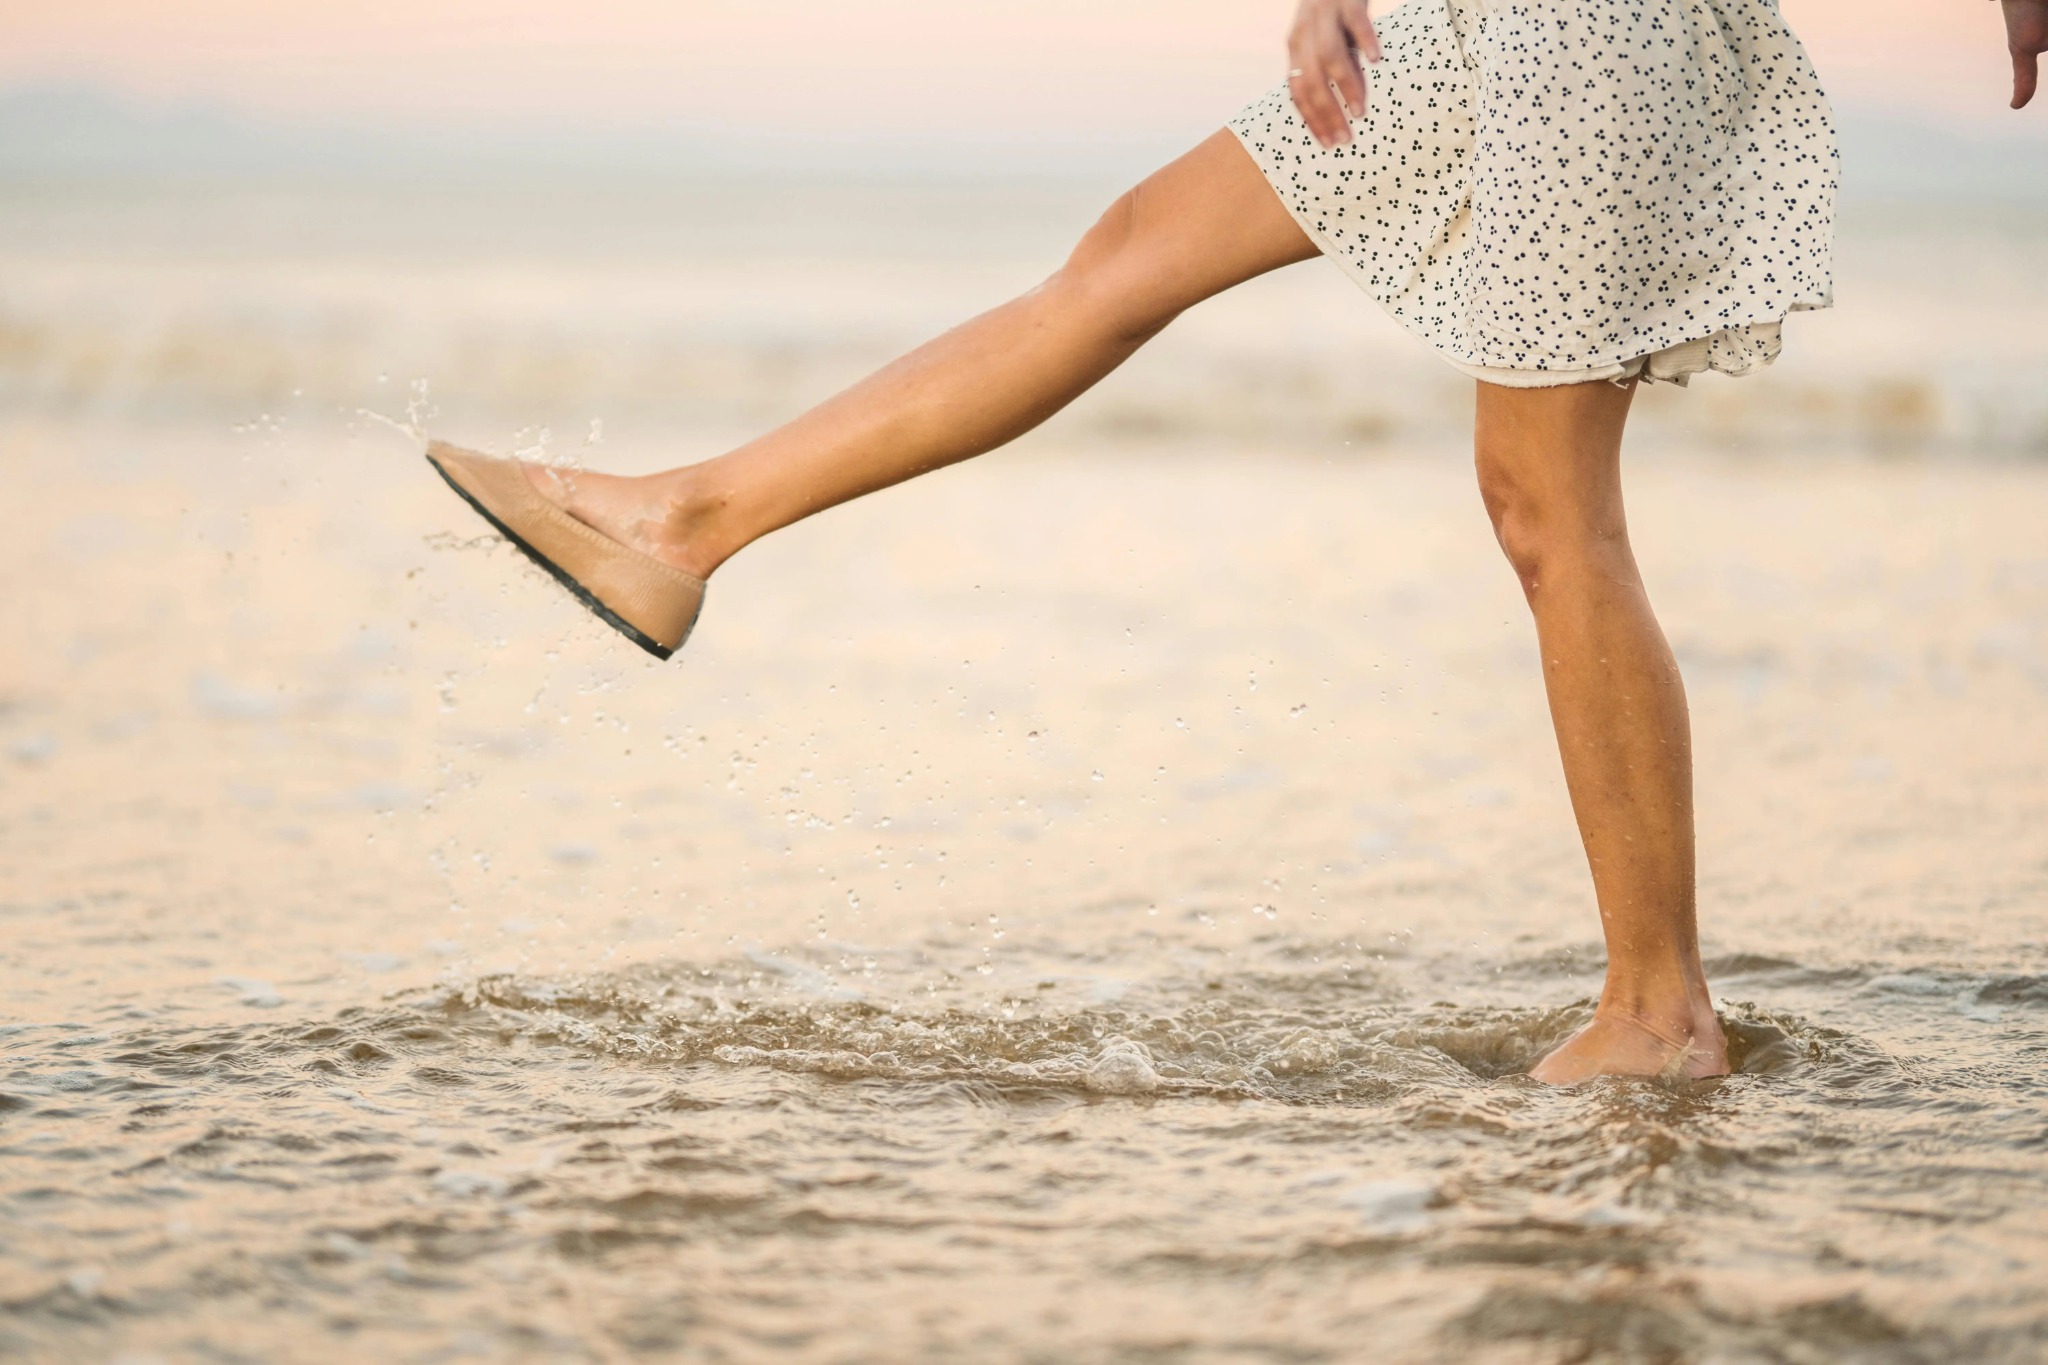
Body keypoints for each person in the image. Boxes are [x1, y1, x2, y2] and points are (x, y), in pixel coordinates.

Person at [425, 0, 2048, 1083]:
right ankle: (685, 522)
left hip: (1599, 30)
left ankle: (1659, 1006)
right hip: (1495, 20)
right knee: (1130, 251)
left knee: (1548, 500)